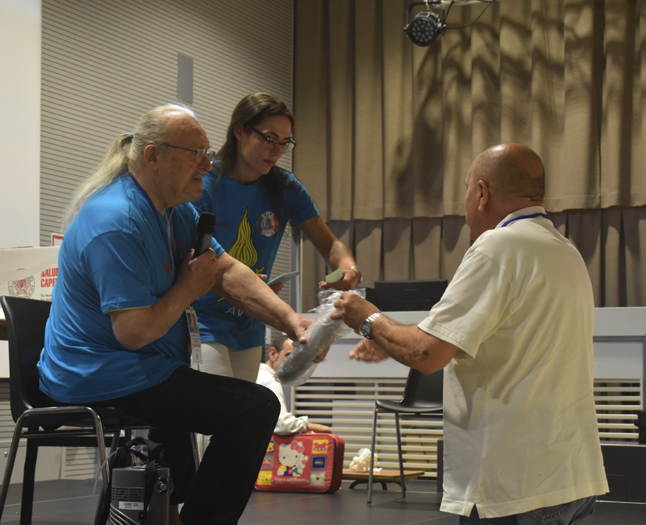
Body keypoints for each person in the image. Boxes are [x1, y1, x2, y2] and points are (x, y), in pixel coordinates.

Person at [38, 104, 314, 525]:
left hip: (140, 366)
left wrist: (290, 320)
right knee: (255, 408)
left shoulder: (176, 209)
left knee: (196, 397)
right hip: (95, 373)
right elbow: (133, 332)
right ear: (153, 156)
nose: (208, 163)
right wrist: (189, 286)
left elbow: (226, 272)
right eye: (196, 153)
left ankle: (173, 514)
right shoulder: (116, 220)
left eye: (208, 152)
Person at [332, 144, 609, 524]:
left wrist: (368, 319)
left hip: (514, 485)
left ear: (482, 192)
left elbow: (426, 354)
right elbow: (495, 341)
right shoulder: (564, 251)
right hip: (569, 475)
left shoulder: (498, 246)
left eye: (466, 189)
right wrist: (388, 339)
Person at [193, 92, 360, 382]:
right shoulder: (205, 185)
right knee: (216, 406)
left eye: (284, 142)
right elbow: (196, 260)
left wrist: (347, 268)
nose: (277, 150)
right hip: (202, 321)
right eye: (269, 138)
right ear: (240, 130)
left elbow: (331, 245)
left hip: (250, 322)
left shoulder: (285, 187)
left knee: (241, 408)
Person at [256, 335, 333, 435]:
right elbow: (282, 424)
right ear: (273, 354)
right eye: (289, 356)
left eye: (299, 359)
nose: (294, 364)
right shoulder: (270, 381)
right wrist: (318, 427)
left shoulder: (259, 373)